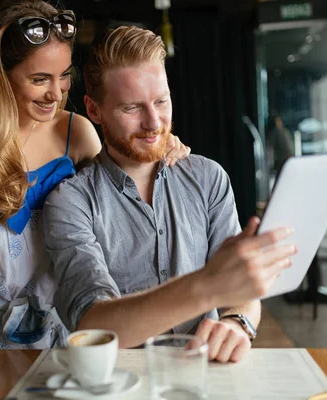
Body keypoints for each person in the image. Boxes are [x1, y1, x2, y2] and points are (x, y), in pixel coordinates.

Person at [0, 1, 189, 371]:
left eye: (64, 76)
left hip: (58, 326)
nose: (56, 93)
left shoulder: (75, 132)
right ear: (0, 74)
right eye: (39, 79)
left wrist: (156, 149)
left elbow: (120, 197)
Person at [43, 26, 297, 363]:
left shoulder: (208, 178)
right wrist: (208, 285)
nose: (154, 123)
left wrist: (237, 323)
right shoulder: (70, 201)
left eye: (161, 101)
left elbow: (242, 291)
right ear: (94, 110)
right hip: (120, 385)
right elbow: (94, 324)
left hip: (207, 374)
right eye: (132, 108)